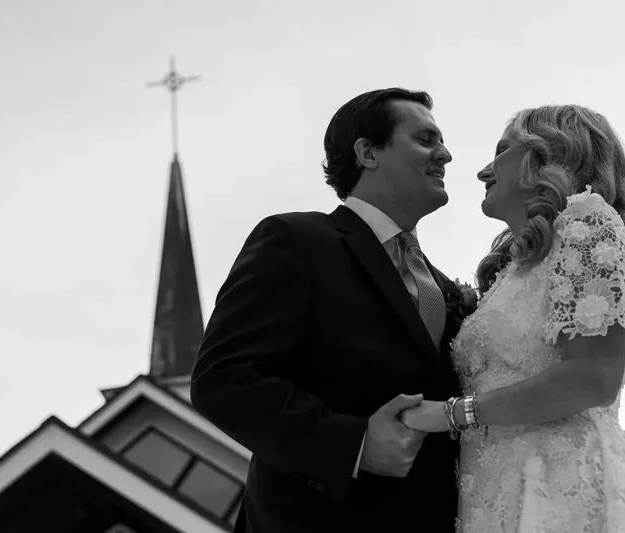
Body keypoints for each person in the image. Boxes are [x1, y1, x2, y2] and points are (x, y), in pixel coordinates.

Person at [190, 88, 475, 532]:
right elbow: (223, 379)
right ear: (368, 152)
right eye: (426, 140)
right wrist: (353, 444)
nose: (446, 155)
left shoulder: (441, 286)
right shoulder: (295, 241)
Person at [402, 104, 625, 532]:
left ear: (547, 156)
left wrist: (451, 415)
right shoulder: (517, 269)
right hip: (493, 493)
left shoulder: (589, 223)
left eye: (502, 150)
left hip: (564, 492)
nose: (483, 171)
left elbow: (592, 376)